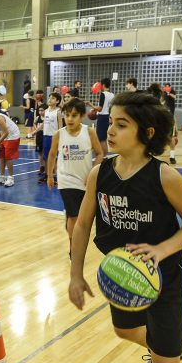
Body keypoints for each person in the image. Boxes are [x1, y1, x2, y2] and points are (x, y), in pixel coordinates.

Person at [68, 91, 182, 363]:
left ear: (147, 132)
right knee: (124, 331)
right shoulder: (99, 174)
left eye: (122, 124)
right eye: (111, 123)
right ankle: (166, 348)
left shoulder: (165, 177)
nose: (110, 130)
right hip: (123, 276)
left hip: (165, 277)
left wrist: (161, 249)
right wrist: (75, 274)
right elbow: (82, 225)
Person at [46, 98, 104, 252]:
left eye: (74, 115)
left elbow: (100, 153)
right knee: (74, 216)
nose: (70, 119)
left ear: (82, 116)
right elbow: (52, 155)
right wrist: (50, 176)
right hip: (66, 180)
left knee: (80, 217)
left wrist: (92, 173)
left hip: (85, 182)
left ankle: (71, 227)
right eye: (67, 115)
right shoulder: (59, 134)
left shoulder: (89, 132)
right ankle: (74, 247)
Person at [38, 92, 61, 184]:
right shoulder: (46, 111)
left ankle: (56, 176)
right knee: (46, 157)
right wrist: (35, 131)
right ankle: (47, 175)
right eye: (49, 98)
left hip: (54, 137)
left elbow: (60, 126)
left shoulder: (58, 112)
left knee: (54, 157)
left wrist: (60, 137)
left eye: (53, 98)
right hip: (46, 136)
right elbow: (44, 123)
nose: (50, 99)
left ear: (57, 101)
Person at [92, 78, 114, 156]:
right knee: (103, 138)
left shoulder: (103, 94)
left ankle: (104, 156)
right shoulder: (112, 95)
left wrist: (90, 104)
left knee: (101, 139)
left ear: (103, 85)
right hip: (108, 116)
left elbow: (100, 108)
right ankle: (105, 155)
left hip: (102, 117)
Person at [162, 84, 178, 164]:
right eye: (165, 86)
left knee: (172, 137)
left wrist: (169, 93)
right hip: (161, 119)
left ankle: (172, 156)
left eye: (168, 86)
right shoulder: (163, 94)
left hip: (170, 119)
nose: (167, 87)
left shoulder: (172, 92)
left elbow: (175, 97)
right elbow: (161, 101)